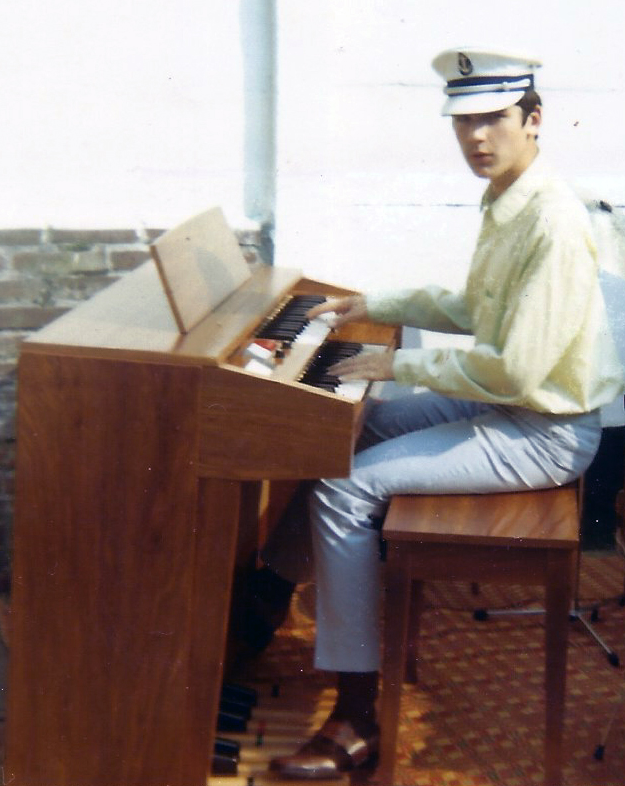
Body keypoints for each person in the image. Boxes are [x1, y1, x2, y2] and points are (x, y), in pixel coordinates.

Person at [250, 48, 625, 780]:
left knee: (342, 484)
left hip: (542, 432)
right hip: (508, 404)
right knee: (345, 433)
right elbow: (471, 309)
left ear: (534, 119)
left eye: (492, 119)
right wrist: (372, 306)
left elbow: (514, 367)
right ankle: (262, 604)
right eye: (463, 123)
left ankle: (358, 716)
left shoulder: (548, 221)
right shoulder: (508, 201)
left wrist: (397, 362)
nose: (476, 138)